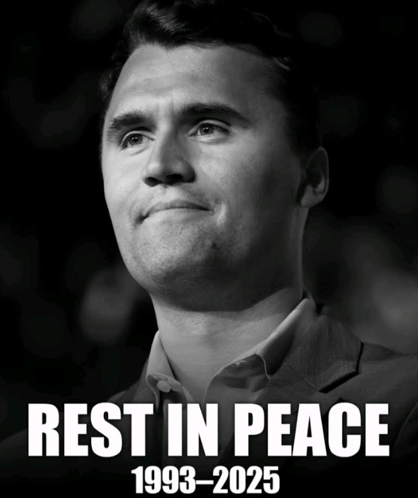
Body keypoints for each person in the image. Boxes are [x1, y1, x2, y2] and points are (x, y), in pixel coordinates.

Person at [1, 0, 417, 495]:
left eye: (207, 127)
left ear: (310, 177)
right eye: (133, 136)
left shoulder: (403, 412)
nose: (160, 164)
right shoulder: (29, 468)